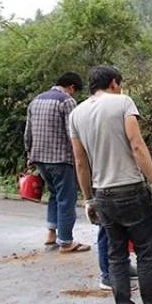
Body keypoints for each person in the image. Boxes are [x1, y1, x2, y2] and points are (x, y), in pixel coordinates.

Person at [69, 65, 152, 304]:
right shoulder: (122, 102)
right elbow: (136, 145)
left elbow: (80, 161)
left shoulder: (76, 114)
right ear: (113, 82)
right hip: (130, 188)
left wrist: (88, 199)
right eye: (119, 84)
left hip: (103, 194)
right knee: (144, 253)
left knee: (116, 255)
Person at [24, 71, 90, 253]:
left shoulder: (36, 100)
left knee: (54, 195)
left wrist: (29, 154)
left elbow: (28, 131)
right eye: (75, 92)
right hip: (61, 159)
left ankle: (51, 235)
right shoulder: (66, 101)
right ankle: (67, 242)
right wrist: (83, 156)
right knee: (67, 199)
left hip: (39, 158)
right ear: (72, 87)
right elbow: (73, 133)